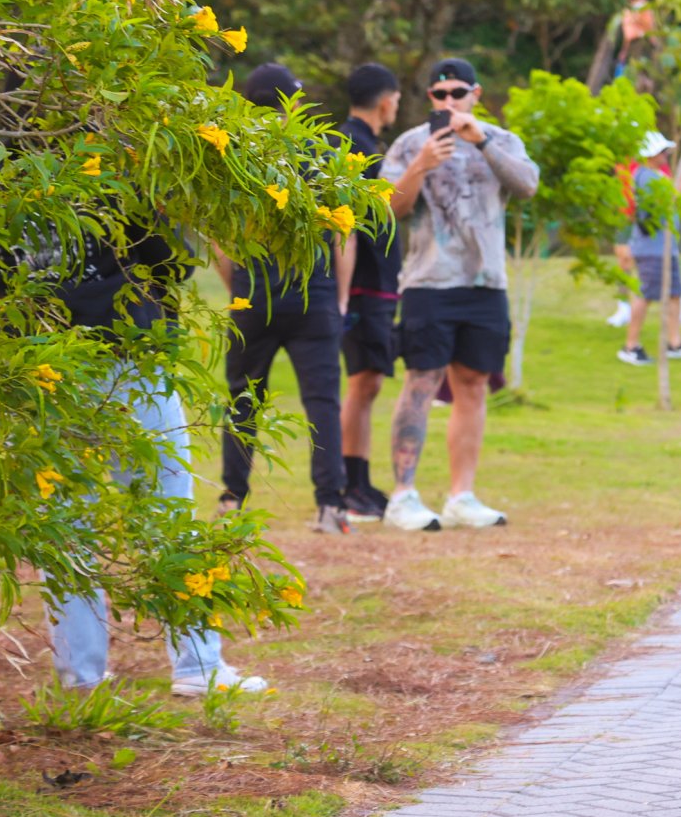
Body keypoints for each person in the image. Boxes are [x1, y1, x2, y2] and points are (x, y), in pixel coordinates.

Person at [44, 221, 267, 696]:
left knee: (64, 524)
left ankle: (80, 675)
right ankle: (198, 665)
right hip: (126, 350)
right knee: (165, 512)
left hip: (40, 362)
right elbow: (172, 260)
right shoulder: (121, 181)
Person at [378, 57, 539, 532]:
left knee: (473, 384)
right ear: (430, 97)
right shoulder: (411, 143)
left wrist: (481, 141)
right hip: (429, 281)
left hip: (486, 282)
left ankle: (461, 496)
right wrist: (421, 165)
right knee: (421, 382)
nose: (449, 102)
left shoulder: (501, 139)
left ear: (476, 94)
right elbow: (389, 210)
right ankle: (403, 495)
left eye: (458, 93)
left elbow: (527, 186)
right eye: (439, 94)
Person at [217, 62, 353, 534]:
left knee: (242, 399)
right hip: (313, 296)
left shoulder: (235, 154)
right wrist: (339, 298)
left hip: (253, 294)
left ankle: (232, 500)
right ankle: (330, 506)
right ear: (292, 103)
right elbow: (344, 234)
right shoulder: (321, 153)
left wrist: (237, 286)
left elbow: (220, 235)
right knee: (322, 402)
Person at [333, 64, 402, 521]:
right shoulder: (353, 146)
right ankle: (348, 484)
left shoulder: (361, 143)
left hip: (375, 283)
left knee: (369, 381)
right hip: (363, 284)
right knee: (362, 381)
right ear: (386, 101)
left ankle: (359, 478)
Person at [618, 131, 681, 366]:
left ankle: (675, 344)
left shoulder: (656, 175)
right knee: (645, 295)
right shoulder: (645, 177)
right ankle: (631, 346)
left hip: (665, 247)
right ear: (651, 154)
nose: (666, 154)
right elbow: (659, 207)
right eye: (662, 151)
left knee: (674, 294)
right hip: (651, 249)